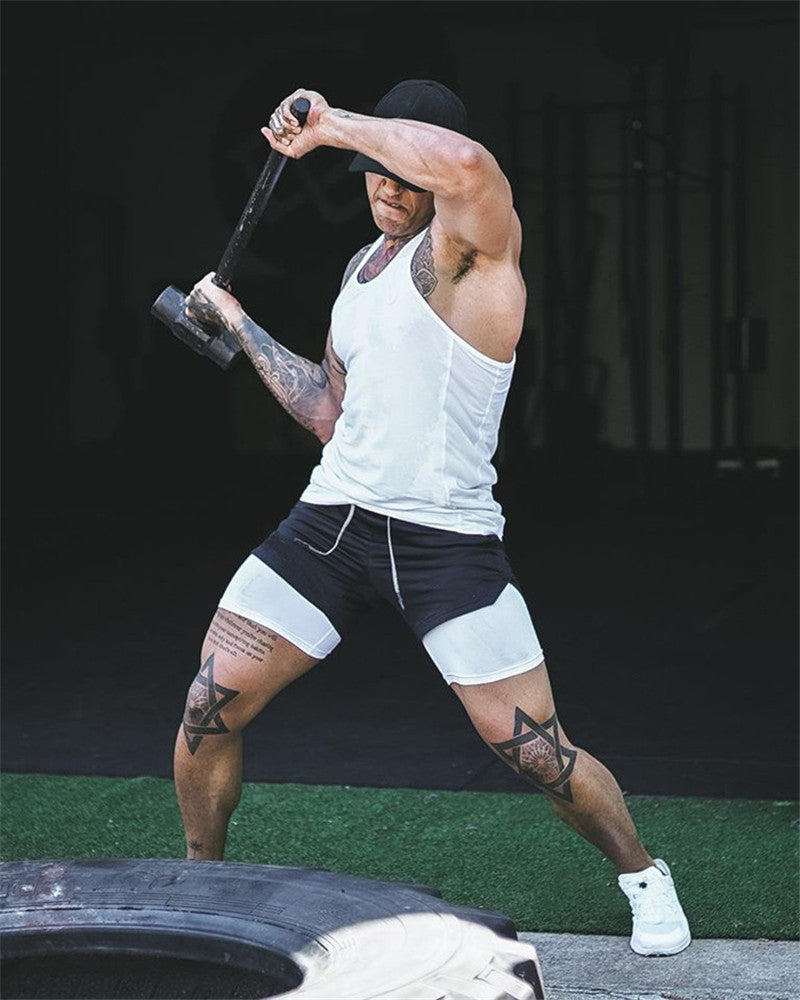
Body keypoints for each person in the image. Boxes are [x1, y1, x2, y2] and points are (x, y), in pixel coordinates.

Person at [176, 80, 691, 957]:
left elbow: (462, 163)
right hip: (330, 524)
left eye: (401, 173)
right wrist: (240, 325)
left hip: (443, 539)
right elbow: (329, 412)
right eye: (374, 172)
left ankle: (644, 876)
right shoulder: (361, 270)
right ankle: (201, 884)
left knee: (534, 750)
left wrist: (332, 126)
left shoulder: (473, 248)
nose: (386, 186)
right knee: (208, 707)